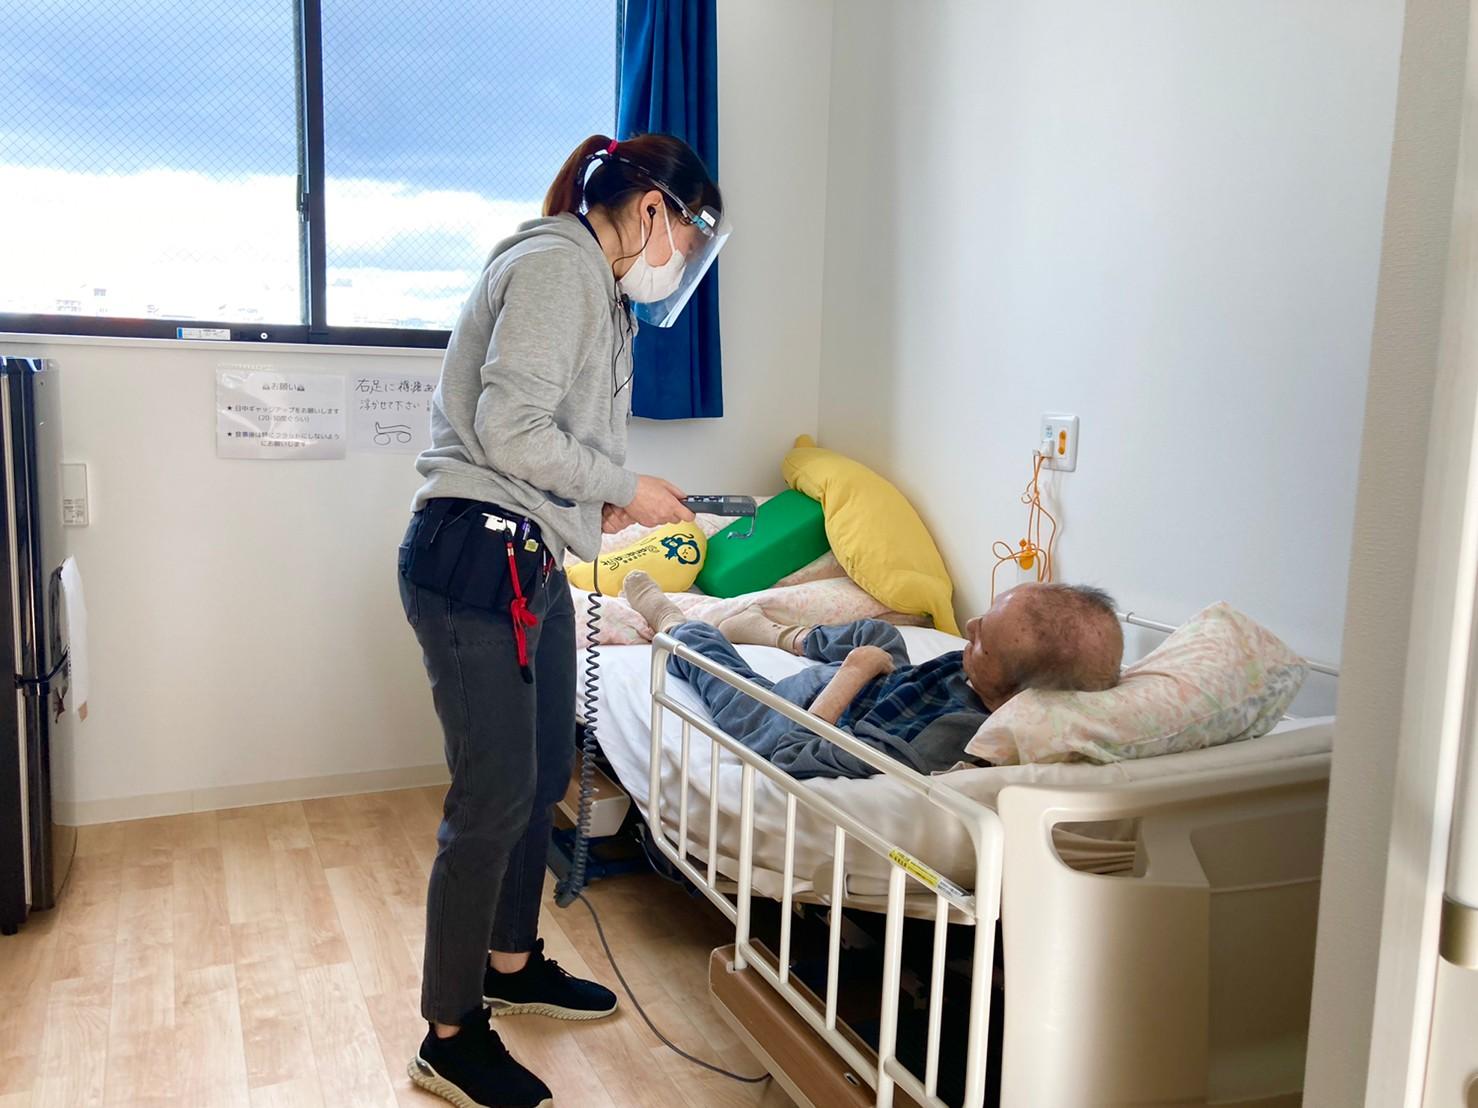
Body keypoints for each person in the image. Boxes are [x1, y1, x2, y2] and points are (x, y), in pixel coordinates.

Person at [397, 133, 725, 1108]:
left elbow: (546, 452)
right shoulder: (556, 266)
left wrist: (599, 505)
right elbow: (508, 431)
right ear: (654, 209)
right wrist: (623, 484)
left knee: (541, 775)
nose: (682, 262)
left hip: (527, 560)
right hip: (474, 557)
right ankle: (449, 1036)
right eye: (687, 239)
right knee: (492, 797)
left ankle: (509, 962)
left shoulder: (600, 291)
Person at [622, 574, 1124, 778]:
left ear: (1012, 694)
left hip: (808, 717)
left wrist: (851, 674)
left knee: (715, 663)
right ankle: (779, 635)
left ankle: (672, 623)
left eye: (981, 643)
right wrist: (870, 664)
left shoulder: (944, 741)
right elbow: (915, 678)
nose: (968, 628)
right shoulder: (987, 682)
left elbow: (792, 757)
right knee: (880, 635)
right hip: (882, 690)